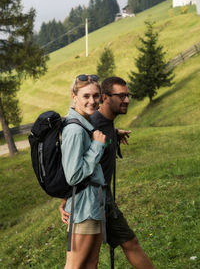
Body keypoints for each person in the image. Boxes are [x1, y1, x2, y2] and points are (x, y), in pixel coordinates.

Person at [60, 77, 155, 269]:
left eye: (127, 95)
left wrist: (114, 134)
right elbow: (73, 167)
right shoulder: (90, 122)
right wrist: (65, 201)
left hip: (101, 201)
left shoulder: (101, 123)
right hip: (88, 203)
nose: (126, 100)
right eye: (121, 96)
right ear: (107, 98)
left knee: (93, 262)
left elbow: (95, 141)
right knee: (78, 264)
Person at [61, 74, 107, 269]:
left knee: (90, 265)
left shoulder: (84, 125)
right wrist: (97, 146)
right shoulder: (75, 130)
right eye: (86, 96)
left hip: (93, 205)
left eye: (96, 96)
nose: (92, 101)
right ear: (74, 96)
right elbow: (73, 175)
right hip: (83, 209)